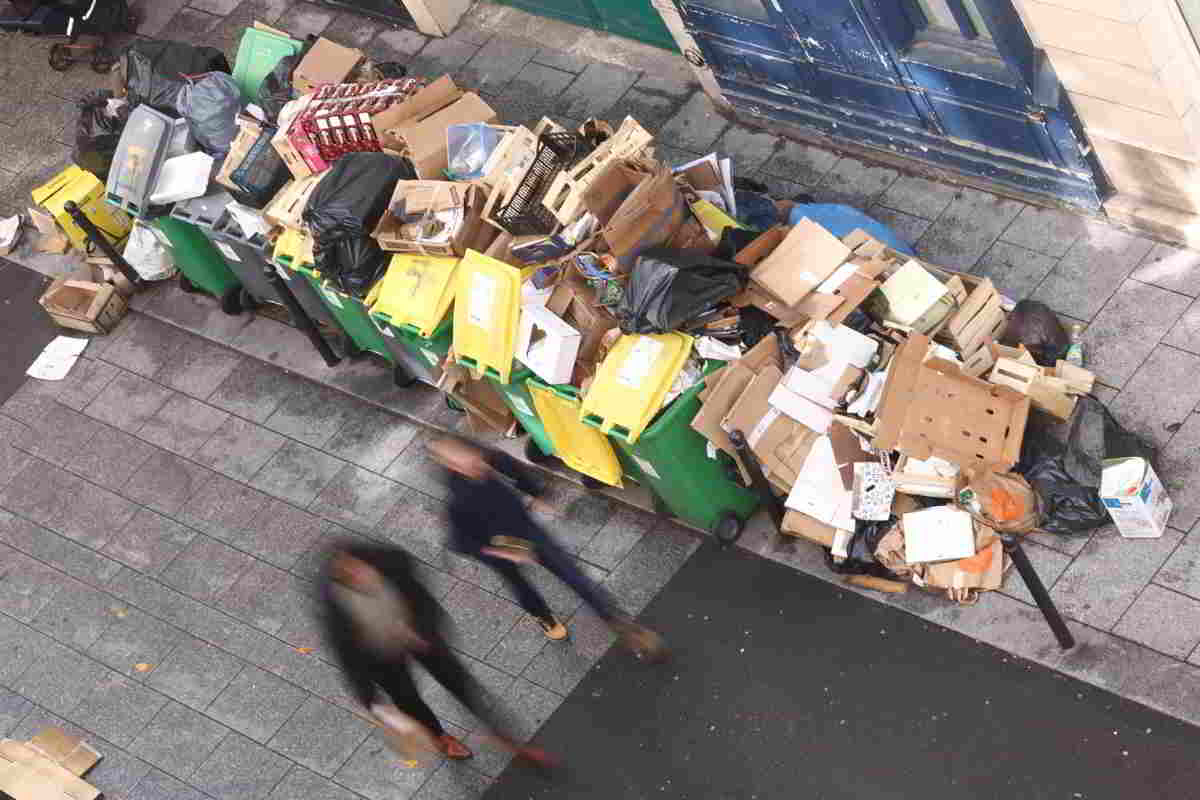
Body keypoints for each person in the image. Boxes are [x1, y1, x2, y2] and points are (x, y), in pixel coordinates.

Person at [428, 434, 665, 659]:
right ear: (453, 468)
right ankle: (543, 616)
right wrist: (505, 553)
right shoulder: (457, 502)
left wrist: (536, 495)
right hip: (495, 542)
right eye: (465, 464)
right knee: (518, 583)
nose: (476, 465)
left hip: (522, 527)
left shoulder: (489, 458)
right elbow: (462, 542)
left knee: (570, 572)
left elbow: (513, 469)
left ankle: (617, 621)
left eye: (473, 458)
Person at [319, 541, 553, 765]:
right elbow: (348, 660)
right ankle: (439, 736)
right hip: (381, 657)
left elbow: (420, 596)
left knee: (460, 682)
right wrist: (373, 703)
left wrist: (422, 628)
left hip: (416, 635)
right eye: (348, 575)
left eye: (356, 567)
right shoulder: (336, 611)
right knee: (407, 699)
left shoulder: (388, 561)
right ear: (340, 580)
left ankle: (502, 733)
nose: (358, 575)